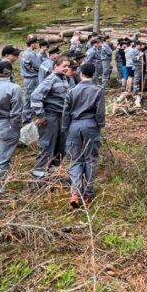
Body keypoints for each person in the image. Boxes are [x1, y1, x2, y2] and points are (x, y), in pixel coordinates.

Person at [61, 62, 106, 207]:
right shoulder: (97, 90)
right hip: (91, 125)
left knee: (74, 159)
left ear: (81, 74)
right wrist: (100, 126)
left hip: (74, 125)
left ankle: (75, 193)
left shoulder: (72, 91)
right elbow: (100, 113)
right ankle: (88, 193)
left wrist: (65, 128)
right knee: (90, 159)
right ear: (93, 74)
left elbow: (66, 112)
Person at [29, 56, 73, 184]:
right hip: (50, 119)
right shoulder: (51, 79)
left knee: (60, 148)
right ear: (56, 66)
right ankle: (37, 181)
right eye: (64, 66)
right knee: (47, 148)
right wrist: (41, 115)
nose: (66, 68)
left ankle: (53, 178)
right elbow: (35, 97)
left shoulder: (65, 79)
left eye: (68, 66)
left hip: (61, 119)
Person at [0, 61, 23, 193]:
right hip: (7, 126)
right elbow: (16, 113)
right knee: (2, 161)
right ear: (10, 72)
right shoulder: (14, 88)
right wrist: (16, 128)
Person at [18, 37, 42, 124]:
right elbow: (39, 66)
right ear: (32, 44)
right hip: (32, 78)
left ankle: (28, 115)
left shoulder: (24, 53)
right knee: (29, 98)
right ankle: (26, 118)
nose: (36, 45)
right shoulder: (31, 54)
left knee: (28, 97)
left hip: (27, 78)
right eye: (35, 43)